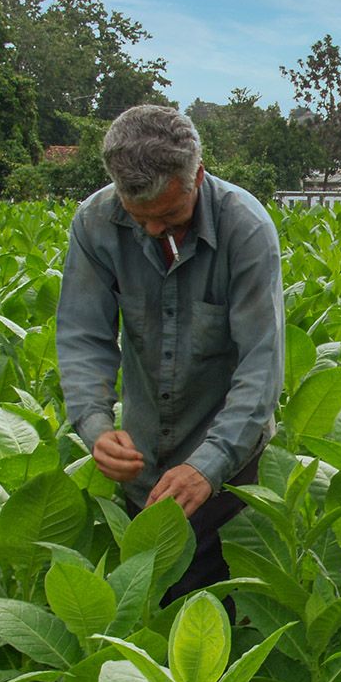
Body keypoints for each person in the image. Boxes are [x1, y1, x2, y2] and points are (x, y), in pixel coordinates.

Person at [56, 104, 284, 606]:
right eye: (141, 220)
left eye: (170, 216)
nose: (157, 231)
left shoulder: (245, 228)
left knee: (216, 613)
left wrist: (208, 465)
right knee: (148, 605)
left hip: (229, 464)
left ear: (197, 176)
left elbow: (260, 367)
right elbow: (82, 334)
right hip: (143, 462)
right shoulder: (96, 223)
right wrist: (95, 424)